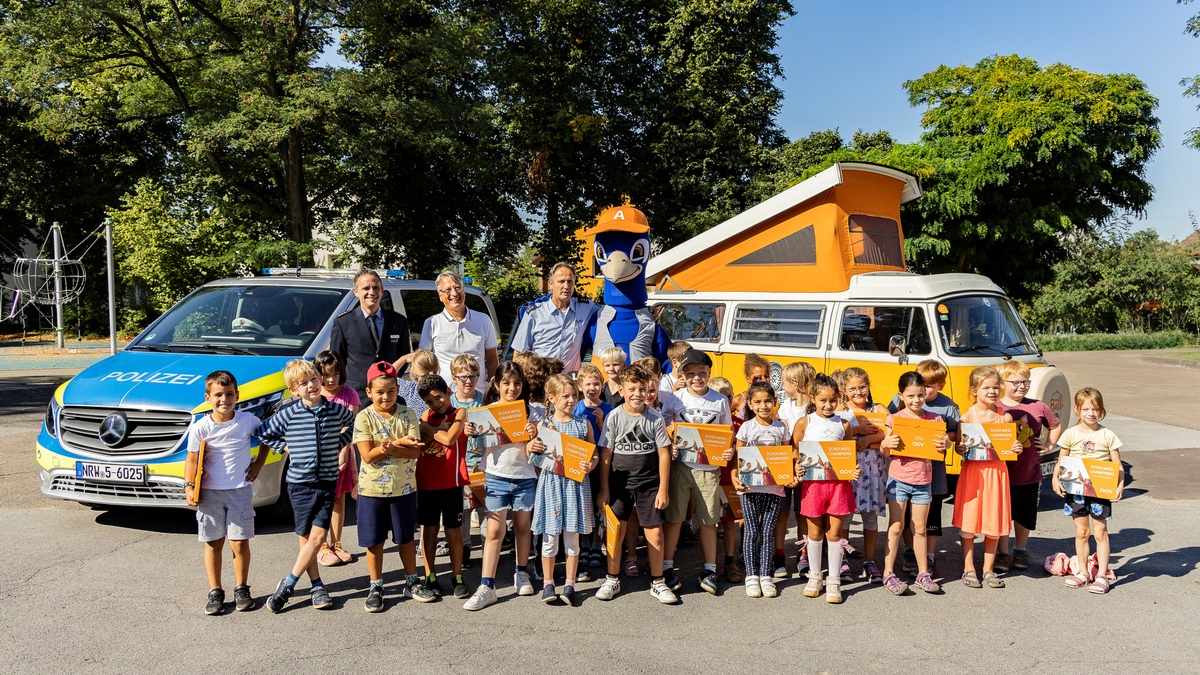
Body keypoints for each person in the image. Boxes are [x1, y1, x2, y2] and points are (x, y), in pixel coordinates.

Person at [260, 359, 358, 613]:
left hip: (327, 482)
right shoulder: (289, 413)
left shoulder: (335, 410)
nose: (311, 385)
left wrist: (339, 443)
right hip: (299, 484)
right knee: (306, 537)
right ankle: (316, 586)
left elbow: (356, 425)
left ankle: (288, 584)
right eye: (303, 383)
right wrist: (284, 447)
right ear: (293, 390)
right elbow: (264, 432)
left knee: (319, 537)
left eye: (314, 379)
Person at [184, 370, 270, 615]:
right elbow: (192, 459)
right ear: (208, 397)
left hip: (239, 491)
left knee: (240, 542)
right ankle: (215, 591)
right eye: (218, 395)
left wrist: (258, 464)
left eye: (229, 394)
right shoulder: (201, 427)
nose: (224, 399)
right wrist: (189, 486)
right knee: (213, 543)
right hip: (209, 493)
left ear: (237, 395)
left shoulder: (248, 420)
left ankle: (242, 588)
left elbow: (266, 438)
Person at [351, 361, 434, 611]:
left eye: (391, 391)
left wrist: (386, 447)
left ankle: (411, 581)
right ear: (369, 392)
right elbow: (367, 456)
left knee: (406, 538)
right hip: (371, 491)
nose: (385, 396)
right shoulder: (364, 417)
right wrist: (399, 444)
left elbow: (415, 452)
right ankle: (376, 585)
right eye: (379, 392)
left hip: (403, 488)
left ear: (398, 389)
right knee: (374, 541)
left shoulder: (408, 414)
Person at [594, 365, 677, 604]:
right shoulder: (614, 417)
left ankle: (658, 581)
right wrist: (605, 489)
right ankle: (612, 578)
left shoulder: (655, 418)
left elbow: (663, 454)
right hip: (619, 485)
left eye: (642, 389)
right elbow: (606, 455)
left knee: (655, 534)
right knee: (615, 533)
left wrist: (663, 489)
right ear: (621, 390)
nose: (637, 394)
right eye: (631, 389)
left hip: (649, 484)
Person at [462, 362, 541, 611]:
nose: (512, 388)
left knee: (522, 527)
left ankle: (521, 572)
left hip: (525, 477)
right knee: (494, 531)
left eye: (517, 383)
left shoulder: (531, 412)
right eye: (506, 383)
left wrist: (534, 433)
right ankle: (487, 585)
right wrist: (471, 432)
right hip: (496, 477)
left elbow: (541, 446)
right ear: (496, 384)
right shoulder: (486, 412)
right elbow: (476, 447)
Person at [663, 349, 733, 595]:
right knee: (674, 518)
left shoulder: (719, 400)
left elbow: (727, 432)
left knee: (708, 520)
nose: (697, 378)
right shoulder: (675, 398)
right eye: (691, 373)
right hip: (681, 465)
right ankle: (667, 566)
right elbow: (664, 424)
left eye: (702, 373)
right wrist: (670, 439)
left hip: (708, 468)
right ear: (683, 374)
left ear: (709, 373)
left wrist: (728, 450)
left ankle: (710, 569)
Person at [529, 374, 598, 606]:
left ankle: (570, 584)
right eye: (565, 396)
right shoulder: (543, 425)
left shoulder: (583, 424)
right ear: (551, 398)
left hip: (575, 486)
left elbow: (594, 454)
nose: (571, 400)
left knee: (572, 539)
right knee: (549, 539)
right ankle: (548, 584)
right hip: (551, 485)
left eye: (574, 395)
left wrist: (591, 465)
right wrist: (532, 446)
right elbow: (533, 456)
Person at [888, 359, 961, 577]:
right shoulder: (899, 405)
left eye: (928, 387)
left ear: (940, 385)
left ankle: (928, 557)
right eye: (921, 386)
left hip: (931, 471)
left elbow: (954, 433)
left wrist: (946, 441)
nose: (921, 395)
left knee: (930, 515)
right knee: (903, 519)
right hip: (903, 472)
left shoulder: (946, 408)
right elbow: (889, 430)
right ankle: (907, 553)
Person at [880, 371, 950, 596]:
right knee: (896, 526)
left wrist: (946, 444)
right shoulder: (894, 419)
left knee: (920, 528)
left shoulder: (935, 420)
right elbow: (885, 450)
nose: (916, 400)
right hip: (898, 480)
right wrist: (886, 443)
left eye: (920, 395)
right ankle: (888, 573)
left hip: (923, 482)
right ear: (901, 395)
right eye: (910, 396)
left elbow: (942, 447)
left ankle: (923, 574)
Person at [953, 367, 1021, 590]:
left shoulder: (1005, 417)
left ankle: (988, 569)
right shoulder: (966, 418)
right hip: (973, 474)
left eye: (995, 387)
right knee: (970, 521)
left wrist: (1016, 447)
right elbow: (959, 448)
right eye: (986, 387)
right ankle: (968, 567)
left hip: (997, 474)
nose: (992, 391)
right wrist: (960, 448)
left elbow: (1010, 447)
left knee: (993, 521)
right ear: (974, 390)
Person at [793, 374, 859, 604]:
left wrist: (854, 469)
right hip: (813, 487)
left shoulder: (844, 424)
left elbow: (850, 455)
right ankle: (815, 576)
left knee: (835, 534)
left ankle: (834, 579)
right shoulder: (805, 422)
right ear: (813, 399)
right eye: (823, 400)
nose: (828, 405)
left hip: (839, 487)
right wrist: (797, 465)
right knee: (814, 533)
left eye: (833, 400)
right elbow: (795, 449)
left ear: (839, 399)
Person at [1051, 387, 1123, 594]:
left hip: (1100, 490)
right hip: (1076, 490)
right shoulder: (1070, 434)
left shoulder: (1107, 435)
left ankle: (1101, 576)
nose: (1091, 413)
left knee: (1100, 532)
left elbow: (1117, 465)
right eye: (1086, 409)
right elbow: (1062, 460)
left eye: (1095, 409)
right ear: (1077, 410)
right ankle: (1082, 573)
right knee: (1081, 532)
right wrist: (1055, 478)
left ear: (1101, 410)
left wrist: (1119, 485)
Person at [995, 361, 1062, 572]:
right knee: (1003, 514)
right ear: (1002, 383)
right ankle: (1002, 553)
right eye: (1015, 382)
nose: (1021, 386)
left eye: (1025, 382)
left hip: (1029, 472)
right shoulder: (995, 407)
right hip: (1001, 472)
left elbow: (1055, 425)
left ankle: (1020, 550)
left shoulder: (1037, 406)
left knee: (1025, 514)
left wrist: (1049, 444)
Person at [732, 382, 790, 598]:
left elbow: (785, 455)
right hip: (749, 488)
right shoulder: (747, 427)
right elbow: (738, 457)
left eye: (767, 401)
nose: (763, 406)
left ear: (774, 402)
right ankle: (751, 576)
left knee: (767, 532)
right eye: (757, 402)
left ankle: (765, 575)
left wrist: (789, 476)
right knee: (751, 531)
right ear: (750, 404)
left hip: (773, 488)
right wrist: (735, 477)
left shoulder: (780, 428)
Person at [416, 373, 470, 599]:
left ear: (448, 391)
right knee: (429, 531)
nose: (435, 404)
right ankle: (430, 576)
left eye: (438, 397)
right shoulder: (425, 416)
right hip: (426, 483)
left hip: (451, 482)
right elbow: (419, 442)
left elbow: (449, 439)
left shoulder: (460, 413)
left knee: (453, 531)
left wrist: (429, 430)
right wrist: (433, 430)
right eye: (429, 401)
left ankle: (457, 576)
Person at [838, 367, 887, 584]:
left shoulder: (879, 409)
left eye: (862, 387)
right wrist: (858, 431)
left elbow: (890, 431)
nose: (858, 392)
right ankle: (842, 559)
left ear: (868, 386)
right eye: (852, 389)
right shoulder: (839, 410)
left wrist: (869, 440)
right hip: (849, 469)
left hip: (873, 469)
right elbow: (834, 435)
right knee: (845, 516)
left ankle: (869, 560)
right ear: (844, 390)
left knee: (870, 516)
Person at [329, 269, 412, 394]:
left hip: (389, 395)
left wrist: (391, 380)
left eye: (376, 287)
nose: (372, 292)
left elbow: (404, 357)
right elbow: (337, 361)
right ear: (356, 292)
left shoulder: (398, 321)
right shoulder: (344, 323)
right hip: (356, 395)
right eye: (366, 288)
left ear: (382, 290)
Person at [314, 350, 361, 568]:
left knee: (339, 499)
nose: (331, 380)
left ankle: (336, 543)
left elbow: (351, 426)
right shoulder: (315, 394)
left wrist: (343, 452)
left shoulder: (349, 394)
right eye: (325, 374)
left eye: (335, 374)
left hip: (343, 454)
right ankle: (321, 545)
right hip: (320, 456)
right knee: (322, 500)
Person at [510, 262, 599, 373]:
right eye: (561, 281)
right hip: (542, 380)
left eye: (570, 281)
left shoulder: (585, 308)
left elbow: (609, 311)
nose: (566, 286)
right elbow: (519, 354)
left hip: (569, 380)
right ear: (550, 284)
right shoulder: (534, 313)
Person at [420, 270, 499, 395]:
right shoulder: (432, 323)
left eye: (457, 288)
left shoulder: (483, 320)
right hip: (444, 398)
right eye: (448, 290)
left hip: (478, 397)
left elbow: (492, 360)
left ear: (463, 291)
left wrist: (493, 391)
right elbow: (424, 363)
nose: (454, 293)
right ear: (440, 295)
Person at [572, 363, 613, 571]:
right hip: (580, 465)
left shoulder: (609, 409)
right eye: (588, 384)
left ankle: (597, 543)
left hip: (600, 465)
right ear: (580, 386)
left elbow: (612, 440)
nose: (592, 388)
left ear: (602, 385)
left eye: (596, 384)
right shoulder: (576, 408)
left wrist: (601, 425)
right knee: (582, 505)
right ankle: (584, 543)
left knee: (598, 505)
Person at [776, 361, 815, 577]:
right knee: (782, 513)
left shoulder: (814, 408)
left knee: (803, 515)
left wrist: (800, 464)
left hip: (807, 468)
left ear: (795, 383)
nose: (782, 387)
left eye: (784, 382)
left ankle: (804, 555)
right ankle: (779, 556)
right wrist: (790, 466)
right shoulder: (785, 407)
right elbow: (783, 439)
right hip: (786, 466)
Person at [448, 354, 486, 569]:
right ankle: (464, 547)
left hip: (483, 463)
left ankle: (488, 546)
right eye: (463, 377)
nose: (468, 381)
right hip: (459, 464)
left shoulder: (485, 400)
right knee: (463, 510)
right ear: (454, 378)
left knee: (484, 508)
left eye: (473, 376)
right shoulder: (449, 403)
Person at [709, 376, 745, 583]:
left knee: (729, 523)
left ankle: (730, 561)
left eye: (728, 396)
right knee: (709, 523)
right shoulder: (707, 422)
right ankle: (709, 563)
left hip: (729, 479)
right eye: (719, 397)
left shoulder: (740, 424)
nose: (725, 400)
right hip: (708, 477)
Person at [396, 349, 438, 419]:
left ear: (414, 371)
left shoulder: (408, 388)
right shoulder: (442, 389)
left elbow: (386, 376)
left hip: (413, 425)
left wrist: (404, 358)